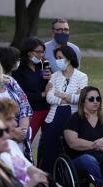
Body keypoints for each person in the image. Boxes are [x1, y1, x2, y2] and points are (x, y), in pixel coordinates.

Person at [0, 99, 93, 187]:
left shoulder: (11, 144)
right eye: (10, 119)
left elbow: (31, 169)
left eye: (15, 118)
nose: (15, 123)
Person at [39, 45, 87, 173]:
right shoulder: (54, 76)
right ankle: (48, 181)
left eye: (60, 57)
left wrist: (61, 94)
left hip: (72, 117)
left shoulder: (82, 77)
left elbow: (80, 98)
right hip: (54, 117)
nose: (58, 60)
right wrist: (66, 98)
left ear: (69, 58)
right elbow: (49, 98)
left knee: (70, 149)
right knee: (50, 150)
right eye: (56, 58)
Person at [12, 37, 52, 143]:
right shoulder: (19, 69)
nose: (41, 55)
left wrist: (51, 78)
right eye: (38, 52)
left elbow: (51, 86)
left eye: (43, 52)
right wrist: (42, 94)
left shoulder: (43, 66)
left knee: (48, 141)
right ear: (29, 52)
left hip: (47, 108)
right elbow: (21, 95)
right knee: (27, 140)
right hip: (31, 111)